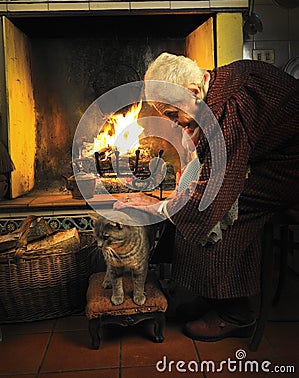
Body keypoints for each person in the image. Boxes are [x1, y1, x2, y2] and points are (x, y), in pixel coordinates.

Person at [114, 52, 299, 341]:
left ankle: (236, 314)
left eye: (174, 115)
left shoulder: (235, 105)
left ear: (192, 91)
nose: (175, 124)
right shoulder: (211, 87)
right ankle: (207, 295)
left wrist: (161, 207)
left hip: (289, 165)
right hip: (270, 154)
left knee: (225, 210)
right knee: (192, 198)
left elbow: (215, 189)